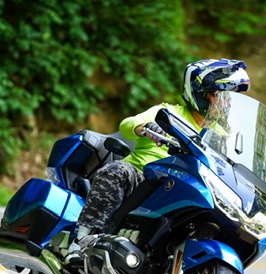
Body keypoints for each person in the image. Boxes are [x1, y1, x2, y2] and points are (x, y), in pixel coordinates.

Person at [65, 58, 251, 260]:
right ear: (200, 93)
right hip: (143, 177)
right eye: (219, 95)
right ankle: (81, 240)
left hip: (185, 187)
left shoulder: (221, 135)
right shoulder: (169, 113)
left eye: (229, 98)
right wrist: (146, 128)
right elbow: (127, 124)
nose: (225, 103)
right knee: (117, 171)